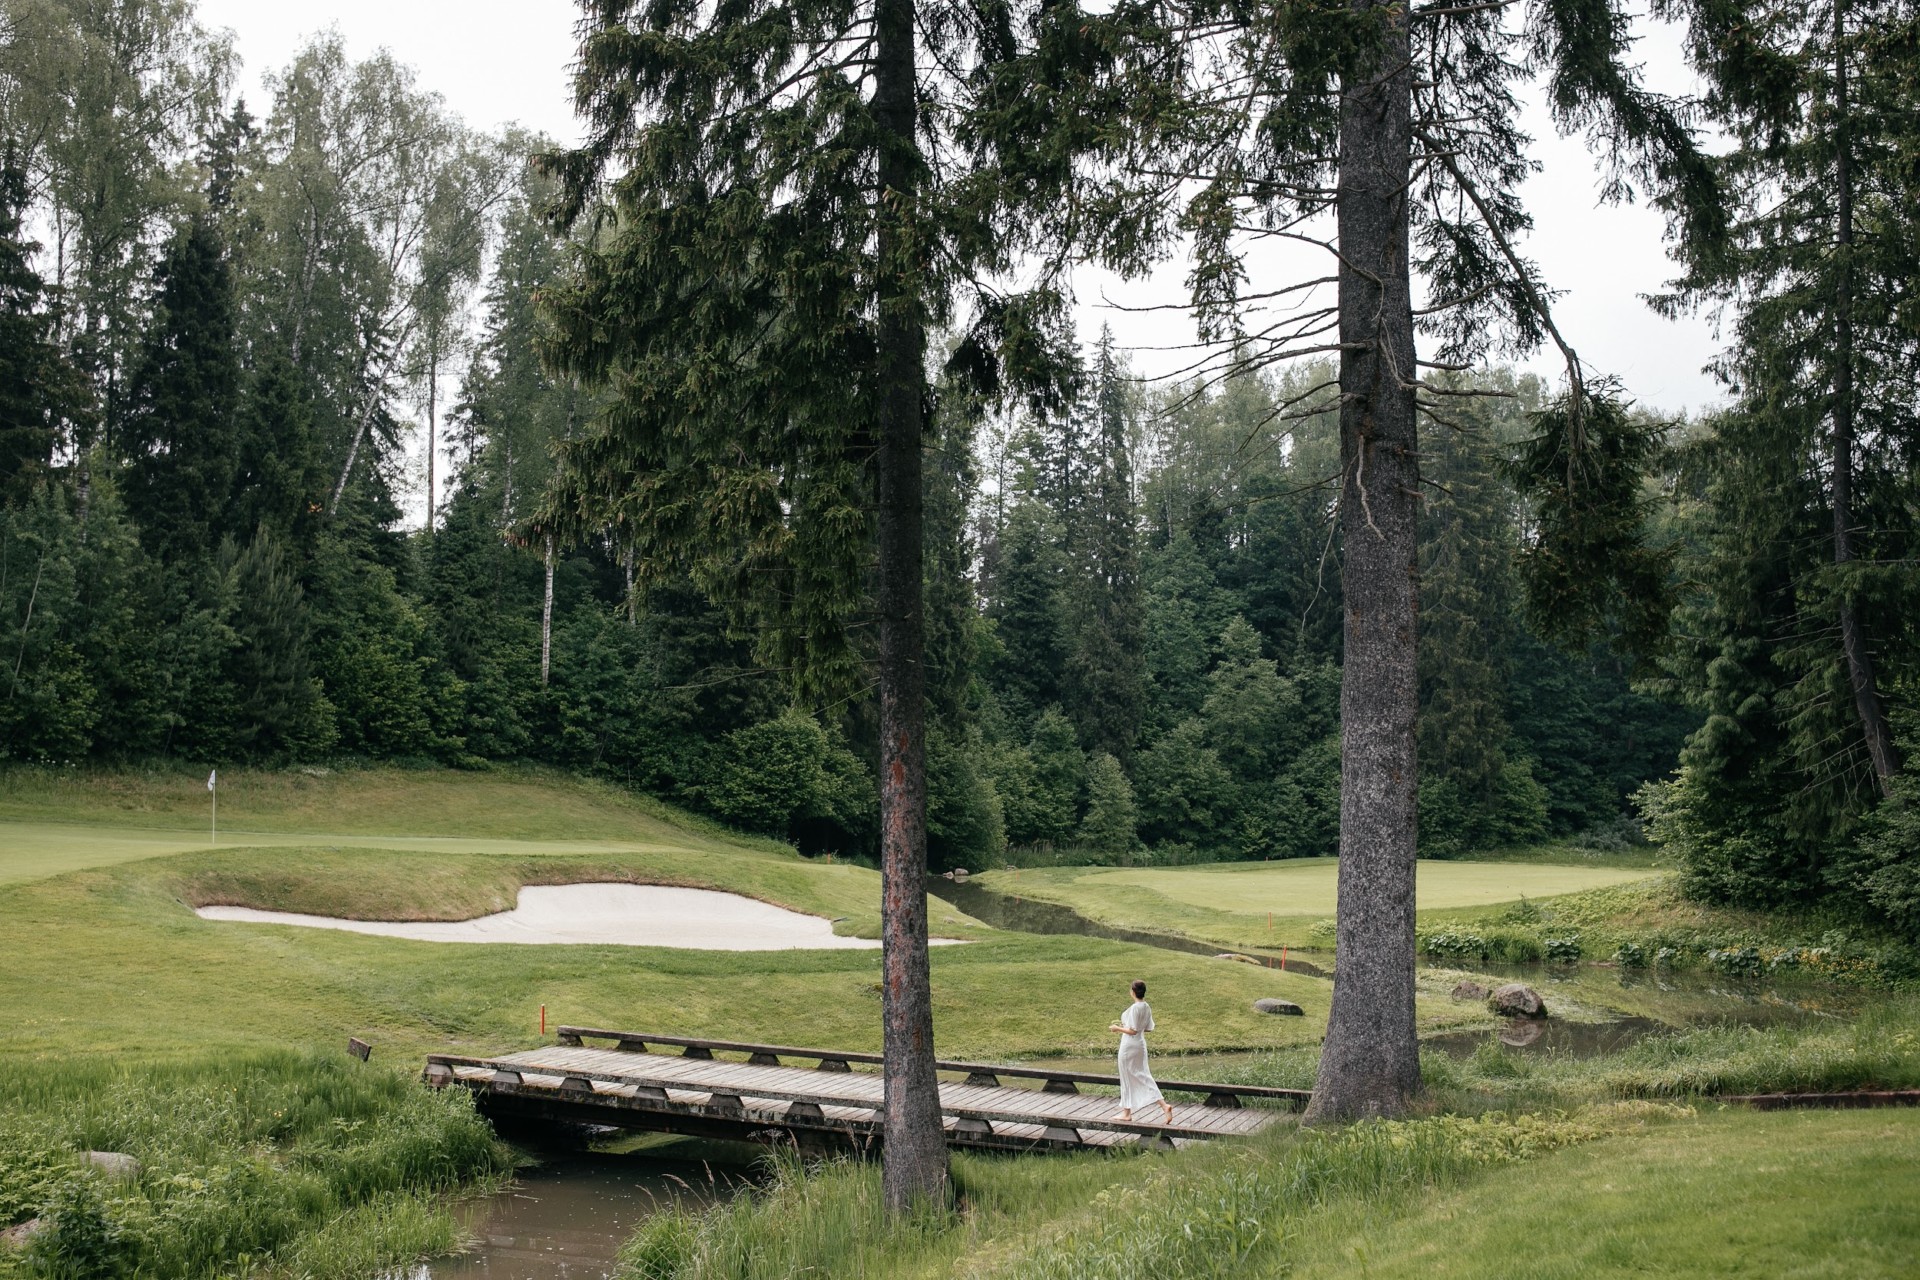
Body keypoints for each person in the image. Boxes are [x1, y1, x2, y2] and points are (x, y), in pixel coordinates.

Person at [1109, 979, 1174, 1124]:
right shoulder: (1146, 1006)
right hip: (1141, 1045)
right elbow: (1148, 1028)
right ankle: (1164, 1106)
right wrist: (1129, 1026)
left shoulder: (1135, 1008)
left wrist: (1117, 1028)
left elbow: (1132, 1031)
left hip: (1129, 1046)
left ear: (1132, 992)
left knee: (1126, 1076)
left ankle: (1126, 1113)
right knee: (1143, 1075)